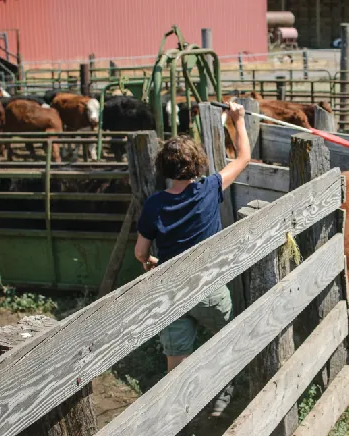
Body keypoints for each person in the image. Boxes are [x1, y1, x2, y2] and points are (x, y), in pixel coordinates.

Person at [134, 101, 250, 417]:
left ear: (163, 168)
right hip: (209, 287)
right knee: (225, 338)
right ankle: (222, 397)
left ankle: (180, 414)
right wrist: (237, 121)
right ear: (198, 165)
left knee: (177, 358)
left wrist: (151, 263)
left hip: (171, 291)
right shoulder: (209, 188)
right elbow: (243, 158)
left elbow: (141, 252)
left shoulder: (155, 204)